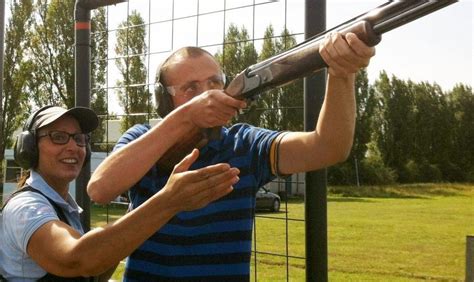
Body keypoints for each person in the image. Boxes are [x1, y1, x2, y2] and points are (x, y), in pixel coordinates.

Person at [87, 32, 376, 280]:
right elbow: (100, 189)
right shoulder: (142, 139)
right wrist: (186, 117)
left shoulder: (245, 144)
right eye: (191, 88)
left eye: (215, 83)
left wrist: (341, 72)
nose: (207, 94)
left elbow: (328, 147)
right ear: (165, 100)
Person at [0, 105, 239, 281]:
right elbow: (77, 260)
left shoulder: (63, 208)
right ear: (28, 148)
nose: (73, 146)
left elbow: (94, 272)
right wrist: (167, 202)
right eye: (58, 137)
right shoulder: (27, 207)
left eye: (80, 139)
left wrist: (140, 209)